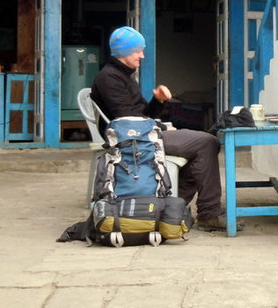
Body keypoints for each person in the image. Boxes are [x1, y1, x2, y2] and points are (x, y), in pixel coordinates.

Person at [91, 26, 237, 232]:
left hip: (142, 134)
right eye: (137, 50)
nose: (142, 55)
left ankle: (177, 203)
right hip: (131, 139)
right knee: (207, 142)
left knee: (203, 144)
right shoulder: (108, 78)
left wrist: (158, 101)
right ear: (123, 51)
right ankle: (208, 212)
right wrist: (160, 127)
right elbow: (125, 119)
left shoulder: (124, 76)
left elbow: (142, 114)